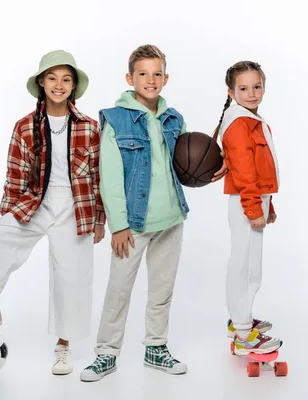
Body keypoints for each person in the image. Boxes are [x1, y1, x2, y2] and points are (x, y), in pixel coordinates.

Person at [0, 50, 106, 375]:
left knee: (71, 276)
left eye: (65, 79)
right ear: (41, 83)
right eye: (52, 78)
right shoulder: (24, 127)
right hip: (36, 201)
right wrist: (9, 214)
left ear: (73, 86)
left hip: (77, 205)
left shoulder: (90, 127)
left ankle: (63, 347)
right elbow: (14, 174)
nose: (58, 85)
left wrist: (100, 220)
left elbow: (98, 175)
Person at [80, 44, 227, 382]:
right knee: (119, 290)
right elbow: (110, 177)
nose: (150, 79)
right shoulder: (115, 119)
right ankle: (106, 353)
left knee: (162, 290)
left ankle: (155, 348)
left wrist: (213, 169)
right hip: (132, 224)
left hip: (171, 218)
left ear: (166, 78)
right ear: (130, 78)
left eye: (157, 73)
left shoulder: (174, 118)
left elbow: (187, 164)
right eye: (143, 73)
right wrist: (118, 225)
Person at [213, 60, 283, 355]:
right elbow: (243, 172)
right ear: (231, 92)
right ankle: (243, 333)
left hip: (255, 200)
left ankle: (240, 320)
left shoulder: (250, 119)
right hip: (246, 202)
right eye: (244, 88)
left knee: (251, 265)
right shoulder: (240, 123)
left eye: (257, 87)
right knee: (245, 267)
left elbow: (261, 168)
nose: (252, 93)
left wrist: (268, 204)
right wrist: (254, 208)